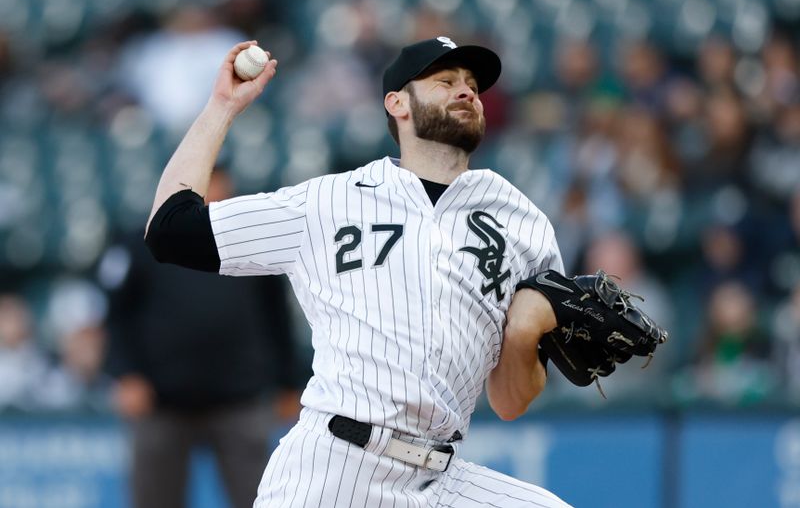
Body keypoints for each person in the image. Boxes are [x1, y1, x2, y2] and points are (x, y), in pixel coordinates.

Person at [145, 37, 572, 507]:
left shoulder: (523, 223)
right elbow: (169, 229)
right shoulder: (327, 202)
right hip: (335, 467)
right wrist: (221, 108)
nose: (466, 91)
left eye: (472, 85)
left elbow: (510, 402)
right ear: (397, 104)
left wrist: (524, 332)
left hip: (440, 477)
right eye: (445, 81)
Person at [104, 167, 304, 508]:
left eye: (218, 177)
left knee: (262, 499)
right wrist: (125, 375)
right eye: (202, 177)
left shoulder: (252, 239)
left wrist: (288, 382)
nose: (212, 186)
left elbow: (277, 317)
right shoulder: (143, 239)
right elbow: (117, 316)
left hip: (240, 398)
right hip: (160, 400)